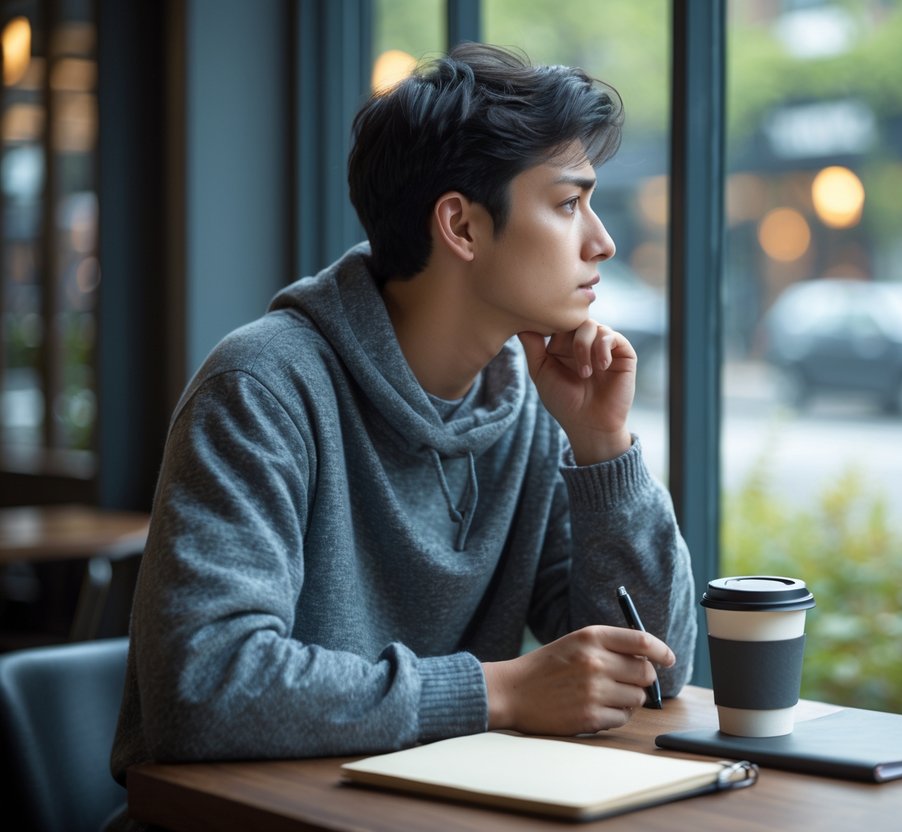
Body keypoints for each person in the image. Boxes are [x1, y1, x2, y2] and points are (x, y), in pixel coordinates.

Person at [108, 41, 696, 821]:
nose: (602, 241)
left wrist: (603, 452)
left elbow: (654, 669)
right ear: (460, 225)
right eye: (566, 204)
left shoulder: (530, 408)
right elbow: (206, 685)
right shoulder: (262, 388)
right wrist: (501, 690)